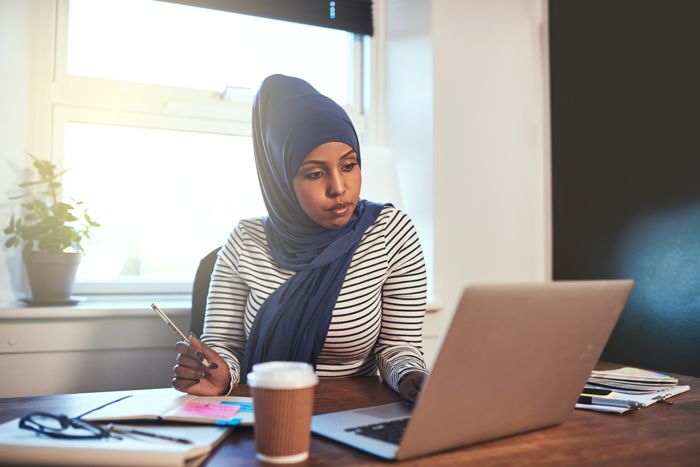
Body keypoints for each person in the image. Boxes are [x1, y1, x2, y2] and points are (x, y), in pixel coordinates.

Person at [172, 74, 429, 402]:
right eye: (315, 173)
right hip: (264, 412)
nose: (338, 187)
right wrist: (219, 373)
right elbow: (225, 346)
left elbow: (398, 347)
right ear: (281, 178)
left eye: (349, 166)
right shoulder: (245, 241)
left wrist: (410, 376)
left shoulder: (391, 233)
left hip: (351, 413)